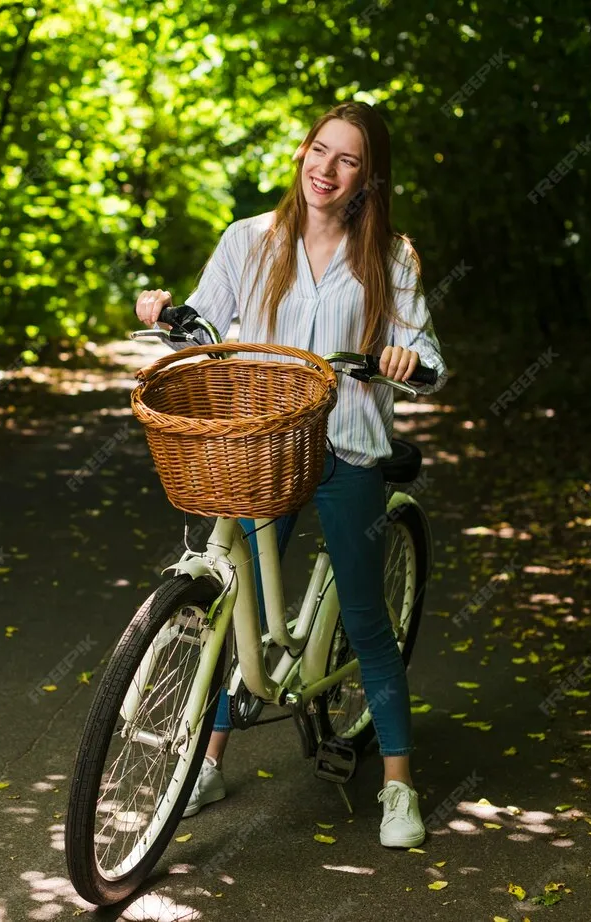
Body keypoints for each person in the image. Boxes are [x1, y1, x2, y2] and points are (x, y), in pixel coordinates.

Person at [133, 101, 447, 849]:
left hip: (345, 446)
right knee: (233, 603)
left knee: (367, 619)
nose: (325, 169)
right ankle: (203, 761)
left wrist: (405, 361)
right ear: (303, 152)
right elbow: (204, 323)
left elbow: (427, 362)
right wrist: (166, 311)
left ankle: (398, 787)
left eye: (346, 161)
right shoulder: (250, 240)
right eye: (319, 150)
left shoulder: (391, 258)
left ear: (369, 178)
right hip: (263, 444)